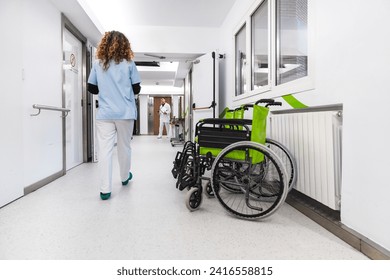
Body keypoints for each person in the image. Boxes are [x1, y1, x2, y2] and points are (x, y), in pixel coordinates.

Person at [87, 31, 141, 200]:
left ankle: (105, 190)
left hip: (105, 113)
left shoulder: (98, 63)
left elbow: (92, 88)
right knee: (124, 147)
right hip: (125, 113)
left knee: (104, 151)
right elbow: (137, 88)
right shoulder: (130, 64)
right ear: (125, 46)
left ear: (104, 44)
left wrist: (106, 86)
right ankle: (125, 177)